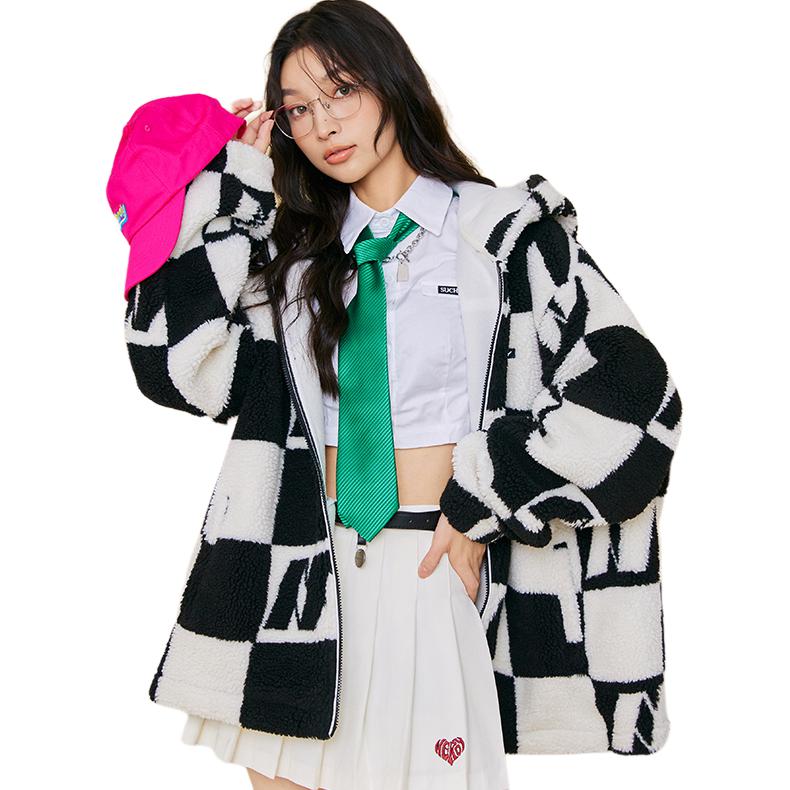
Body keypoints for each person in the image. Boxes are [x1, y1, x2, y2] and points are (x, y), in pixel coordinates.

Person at [121, 1, 683, 788]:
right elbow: (174, 364)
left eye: (341, 91)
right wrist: (239, 192)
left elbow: (636, 392)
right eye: (298, 109)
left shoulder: (504, 234)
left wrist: (488, 497)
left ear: (391, 82)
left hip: (433, 562)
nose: (324, 124)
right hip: (303, 578)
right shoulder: (293, 263)